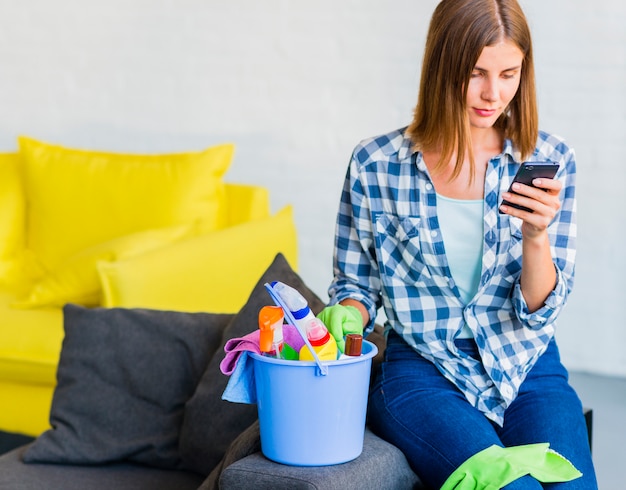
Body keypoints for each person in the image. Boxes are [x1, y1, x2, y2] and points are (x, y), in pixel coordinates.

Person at [323, 0, 598, 488]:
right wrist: (348, 312)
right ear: (442, 66)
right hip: (422, 370)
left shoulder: (550, 159)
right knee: (508, 485)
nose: (494, 93)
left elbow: (539, 313)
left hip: (525, 363)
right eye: (476, 73)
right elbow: (357, 284)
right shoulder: (376, 165)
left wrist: (536, 237)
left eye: (509, 73)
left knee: (572, 484)